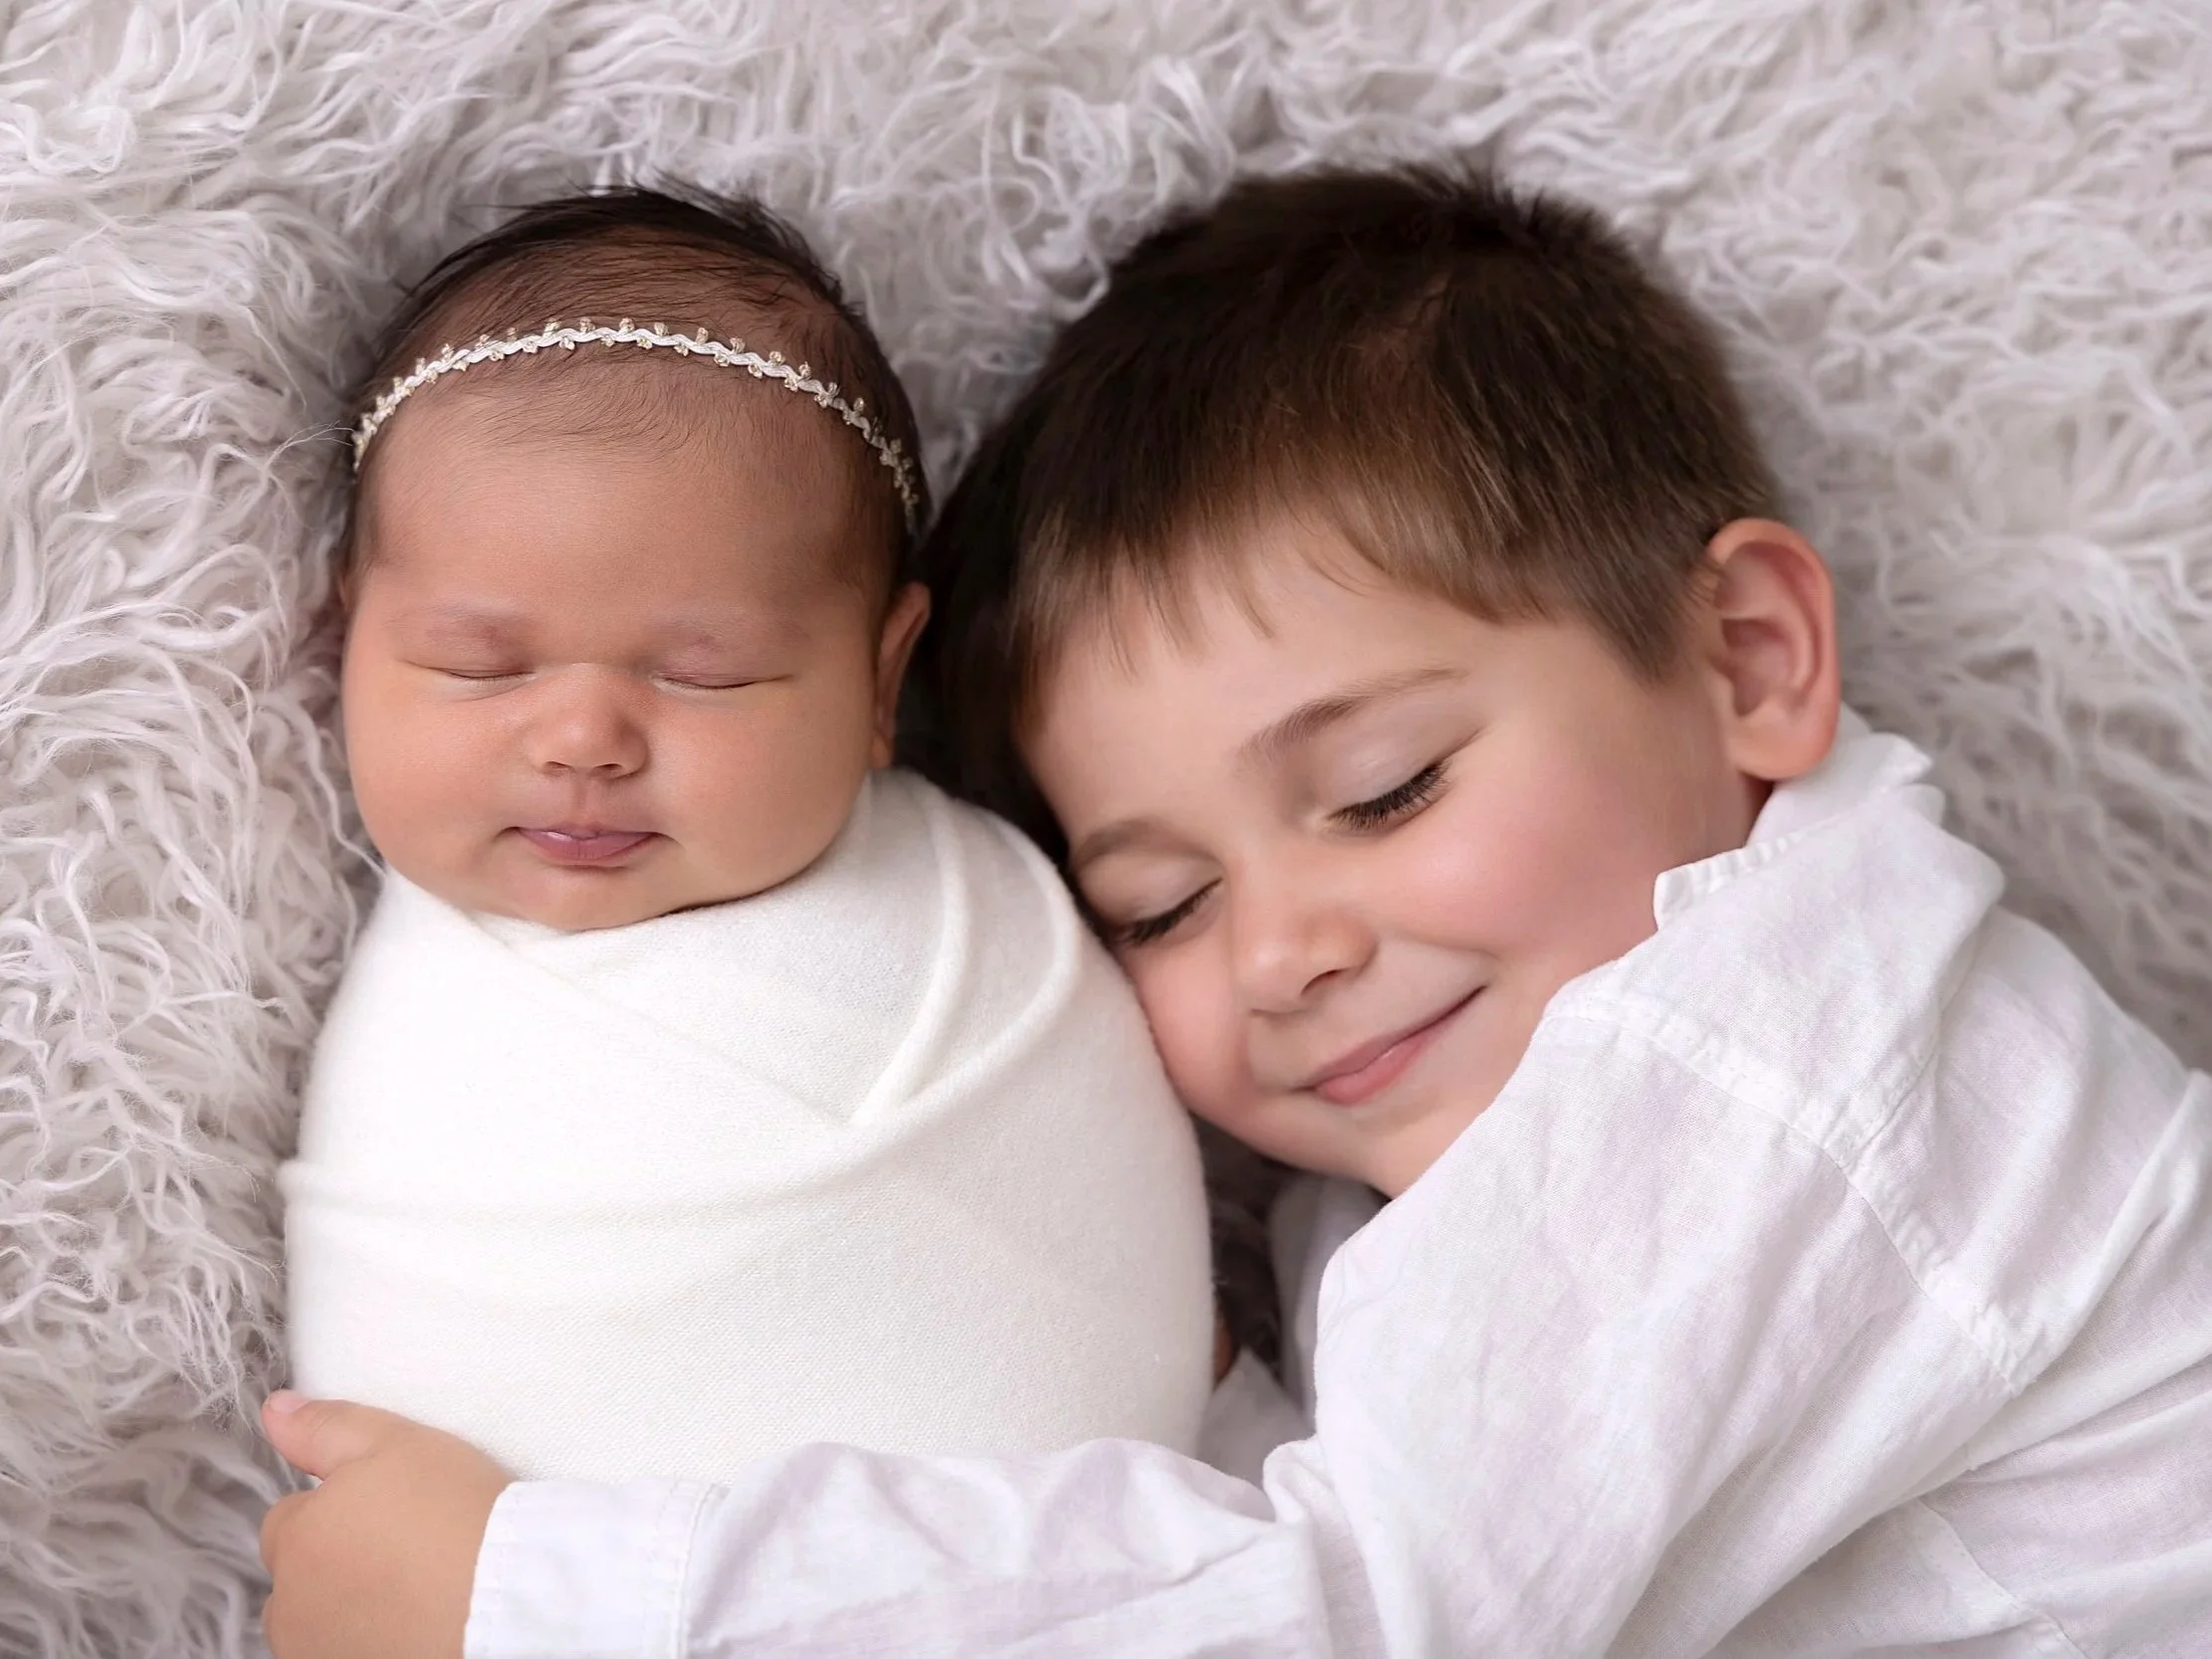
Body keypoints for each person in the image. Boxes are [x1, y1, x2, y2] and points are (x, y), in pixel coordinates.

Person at [258, 166, 2212, 1658]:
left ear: (1746, 656)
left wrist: (553, 1587)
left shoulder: (1760, 1058)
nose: (1282, 951)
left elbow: (1338, 1603)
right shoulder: (1527, 1099)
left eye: (1384, 790)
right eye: (1161, 902)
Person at [275, 185, 1219, 1508]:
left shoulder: (982, 918)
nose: (583, 737)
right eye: (476, 663)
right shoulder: (420, 1015)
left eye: (706, 674)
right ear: (347, 641)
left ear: (882, 680)